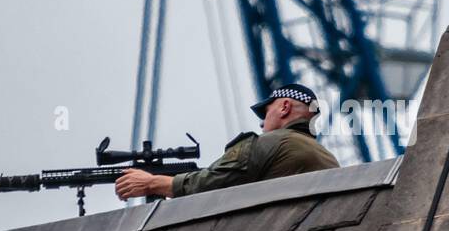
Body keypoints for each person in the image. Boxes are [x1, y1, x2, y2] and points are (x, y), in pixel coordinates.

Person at [113, 83, 339, 201]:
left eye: (265, 113)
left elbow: (212, 183)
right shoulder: (328, 158)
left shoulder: (267, 143)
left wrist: (152, 183)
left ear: (285, 107)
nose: (261, 124)